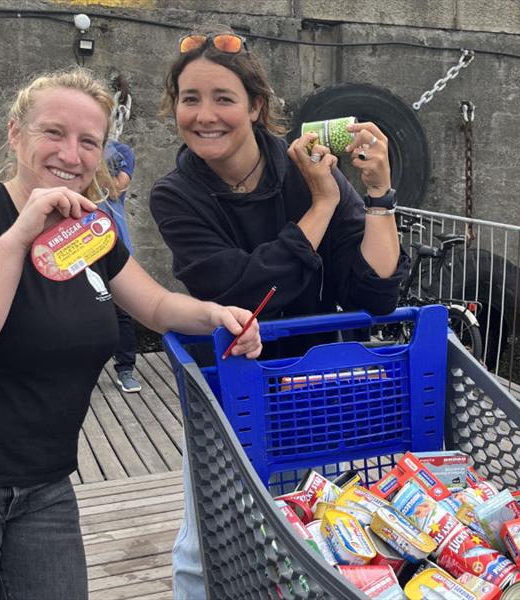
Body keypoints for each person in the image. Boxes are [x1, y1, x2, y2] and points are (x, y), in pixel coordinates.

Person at [0, 67, 261, 600]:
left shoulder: (89, 233)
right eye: (53, 132)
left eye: (88, 142)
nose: (70, 155)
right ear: (16, 133)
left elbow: (158, 305)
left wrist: (218, 315)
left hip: (42, 484)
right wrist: (22, 231)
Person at [149, 30, 405, 599]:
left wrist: (379, 193)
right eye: (190, 99)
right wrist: (322, 205)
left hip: (314, 381)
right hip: (230, 383)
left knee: (317, 535)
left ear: (255, 106)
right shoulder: (175, 195)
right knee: (208, 543)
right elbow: (244, 292)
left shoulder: (308, 167)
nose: (205, 115)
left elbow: (374, 294)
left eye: (223, 98)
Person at [102, 139, 141, 393]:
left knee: (123, 310)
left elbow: (115, 189)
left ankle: (125, 368)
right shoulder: (71, 152)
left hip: (115, 243)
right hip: (74, 244)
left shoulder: (122, 151)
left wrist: (96, 159)